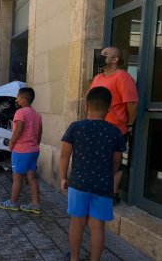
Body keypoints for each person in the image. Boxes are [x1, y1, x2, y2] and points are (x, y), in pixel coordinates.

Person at [60, 87, 126, 261]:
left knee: (77, 223)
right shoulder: (115, 132)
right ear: (109, 108)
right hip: (103, 186)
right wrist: (107, 176)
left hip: (78, 184)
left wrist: (63, 177)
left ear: (86, 106)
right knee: (98, 227)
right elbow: (117, 161)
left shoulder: (75, 128)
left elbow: (64, 155)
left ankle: (74, 258)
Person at [90, 46, 138, 204]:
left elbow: (131, 104)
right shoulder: (98, 78)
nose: (100, 56)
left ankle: (113, 194)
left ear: (115, 59)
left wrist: (130, 124)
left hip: (115, 129)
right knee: (98, 160)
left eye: (105, 54)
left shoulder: (122, 77)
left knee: (114, 162)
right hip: (96, 127)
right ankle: (98, 189)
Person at [0, 87, 42, 213]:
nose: (16, 99)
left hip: (21, 151)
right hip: (33, 150)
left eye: (18, 97)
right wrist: (35, 145)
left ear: (24, 99)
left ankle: (13, 202)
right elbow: (39, 132)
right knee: (31, 177)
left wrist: (11, 142)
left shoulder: (20, 113)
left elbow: (19, 128)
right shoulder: (37, 115)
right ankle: (35, 205)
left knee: (17, 178)